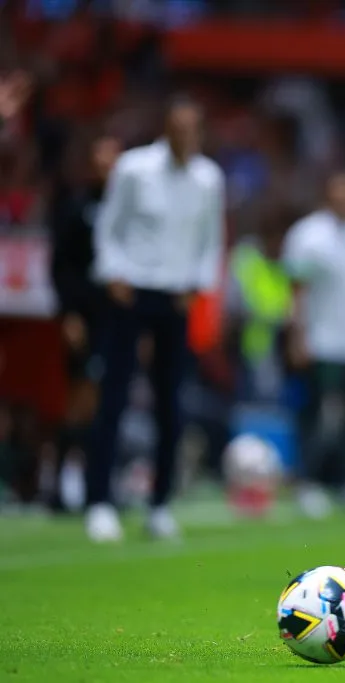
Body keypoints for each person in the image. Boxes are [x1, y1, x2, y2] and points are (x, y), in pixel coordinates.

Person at [86, 95, 225, 542]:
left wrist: (198, 286)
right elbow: (110, 224)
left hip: (176, 297)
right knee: (114, 395)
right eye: (178, 127)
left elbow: (210, 239)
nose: (186, 136)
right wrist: (113, 274)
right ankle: (100, 502)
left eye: (193, 128)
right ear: (166, 127)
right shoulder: (133, 168)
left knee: (171, 402)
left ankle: (159, 503)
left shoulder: (208, 178)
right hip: (131, 291)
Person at [282, 170, 345, 519]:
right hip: (319, 340)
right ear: (328, 193)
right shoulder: (308, 235)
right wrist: (297, 336)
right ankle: (308, 482)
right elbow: (296, 291)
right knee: (317, 414)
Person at [47, 133, 122, 511]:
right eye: (100, 159)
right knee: (81, 399)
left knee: (112, 401)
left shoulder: (128, 210)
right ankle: (61, 479)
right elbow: (61, 265)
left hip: (118, 319)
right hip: (86, 317)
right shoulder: (77, 207)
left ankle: (103, 480)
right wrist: (69, 313)